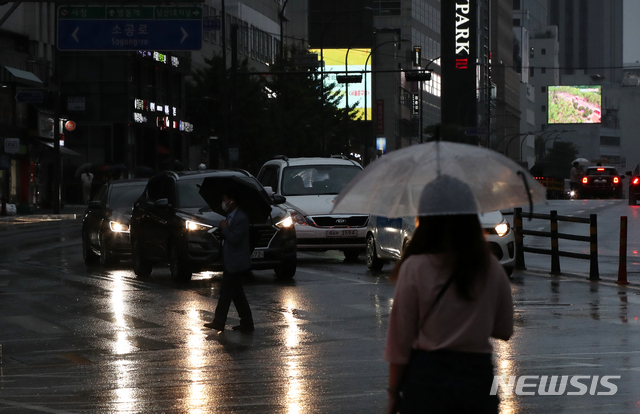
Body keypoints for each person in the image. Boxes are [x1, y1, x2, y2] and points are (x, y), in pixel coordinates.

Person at [384, 178, 513, 414]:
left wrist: (393, 394)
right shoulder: (491, 268)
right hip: (477, 379)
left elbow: (399, 342)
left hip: (428, 380)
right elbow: (504, 329)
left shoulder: (414, 268)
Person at [204, 189, 254, 333]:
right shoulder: (229, 216)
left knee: (226, 293)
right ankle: (247, 322)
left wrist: (224, 229)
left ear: (231, 201)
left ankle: (219, 322)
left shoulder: (241, 218)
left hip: (236, 262)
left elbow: (234, 239)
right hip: (230, 260)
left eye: (225, 199)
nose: (224, 203)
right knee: (237, 294)